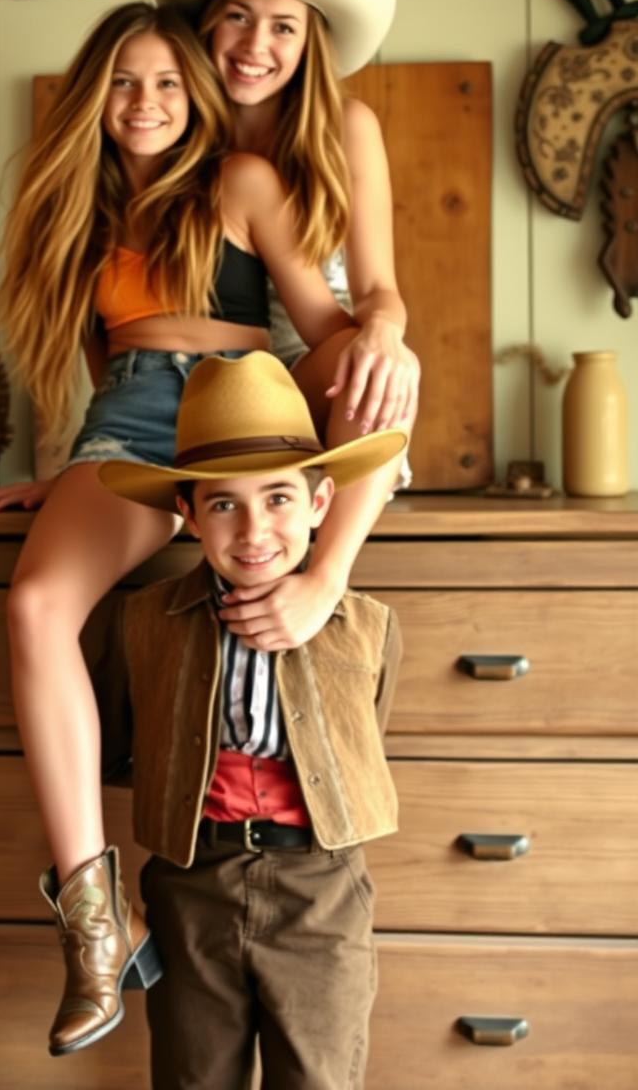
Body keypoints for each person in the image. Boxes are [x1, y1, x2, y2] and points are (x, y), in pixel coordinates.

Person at [0, 0, 398, 1055]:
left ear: (195, 95)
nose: (147, 101)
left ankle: (320, 577)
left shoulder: (240, 184)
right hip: (125, 423)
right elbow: (90, 356)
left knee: (353, 414)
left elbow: (329, 323)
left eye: (167, 81)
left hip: (241, 412)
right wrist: (63, 474)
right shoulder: (74, 203)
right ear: (93, 100)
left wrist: (384, 343)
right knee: (34, 605)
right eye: (123, 82)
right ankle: (96, 921)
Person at [95, 350, 406, 1089]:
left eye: (278, 498)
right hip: (190, 884)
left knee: (320, 1074)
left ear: (321, 504)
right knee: (192, 1074)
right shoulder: (142, 622)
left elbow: (363, 736)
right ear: (188, 514)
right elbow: (116, 744)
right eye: (223, 504)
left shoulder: (366, 627)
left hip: (320, 890)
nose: (254, 529)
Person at [150, 0, 420, 651]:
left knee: (389, 359)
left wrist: (387, 334)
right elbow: (118, 303)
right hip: (198, 397)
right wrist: (92, 453)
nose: (255, 44)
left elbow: (374, 292)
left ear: (311, 42)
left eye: (283, 26)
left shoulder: (346, 127)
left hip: (311, 383)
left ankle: (325, 579)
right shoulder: (171, 133)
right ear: (208, 21)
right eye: (239, 16)